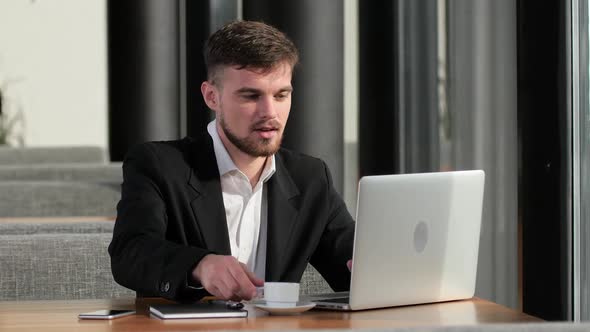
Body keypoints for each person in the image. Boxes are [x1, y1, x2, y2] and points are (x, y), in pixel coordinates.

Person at [108, 20, 354, 302]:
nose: (270, 112)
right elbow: (130, 252)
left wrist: (376, 268)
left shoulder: (310, 177)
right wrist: (199, 266)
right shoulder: (158, 164)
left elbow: (349, 265)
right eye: (251, 96)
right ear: (212, 96)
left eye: (281, 95)